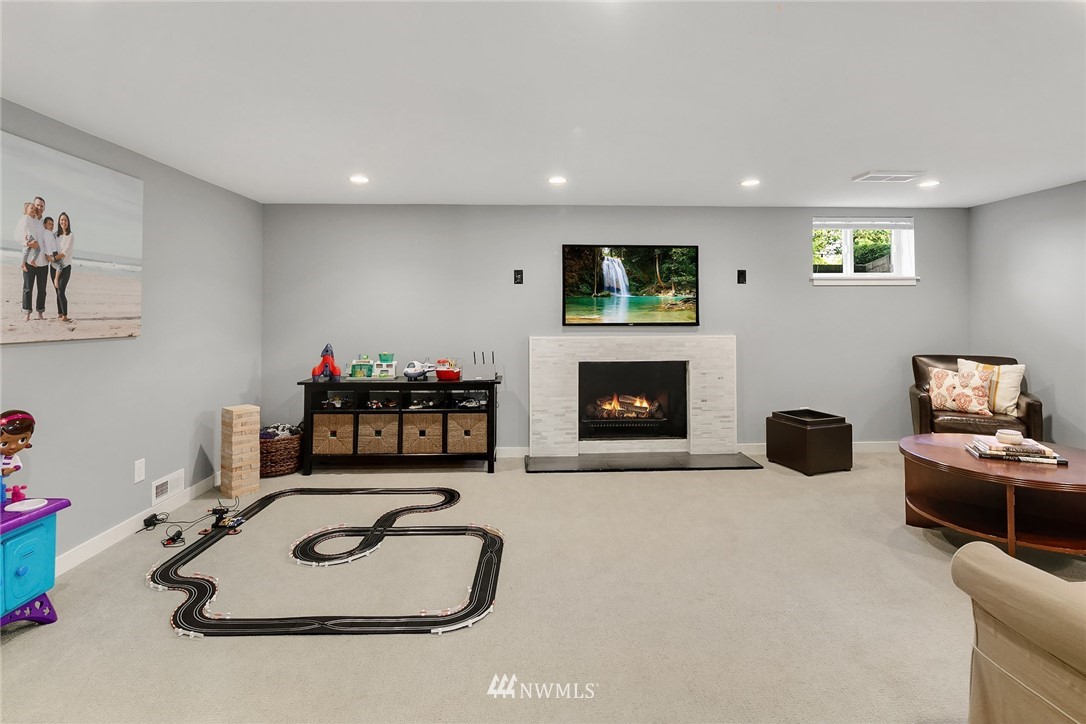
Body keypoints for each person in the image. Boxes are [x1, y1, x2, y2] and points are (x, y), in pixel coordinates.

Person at [20, 196, 54, 321]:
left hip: (43, 263)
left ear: (44, 208)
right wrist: (28, 244)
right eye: (37, 205)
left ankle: (40, 312)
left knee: (42, 290)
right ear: (33, 206)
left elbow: (50, 239)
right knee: (28, 288)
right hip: (29, 260)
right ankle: (27, 313)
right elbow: (20, 235)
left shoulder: (45, 223)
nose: (39, 207)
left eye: (41, 206)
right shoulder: (29, 219)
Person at [0, 410, 35, 504]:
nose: (13, 447)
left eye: (22, 440)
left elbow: (18, 466)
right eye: (4, 443)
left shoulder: (12, 457)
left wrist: (10, 470)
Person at [51, 211, 75, 321]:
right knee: (57, 291)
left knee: (61, 290)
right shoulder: (55, 234)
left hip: (65, 267)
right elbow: (50, 246)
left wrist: (52, 258)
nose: (63, 222)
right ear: (59, 221)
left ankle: (65, 315)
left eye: (65, 220)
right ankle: (60, 313)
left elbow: (64, 253)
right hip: (53, 267)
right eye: (61, 220)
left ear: (68, 222)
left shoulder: (70, 235)